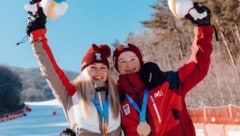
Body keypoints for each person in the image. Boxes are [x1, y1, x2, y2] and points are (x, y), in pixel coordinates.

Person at [112, 3, 213, 136]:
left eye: (133, 59)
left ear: (140, 62)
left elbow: (198, 66)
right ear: (117, 68)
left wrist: (203, 28)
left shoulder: (167, 81)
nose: (129, 65)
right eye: (122, 61)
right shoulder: (116, 97)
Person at [25, 0, 121, 135]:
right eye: (93, 67)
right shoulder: (71, 93)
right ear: (84, 71)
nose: (99, 71)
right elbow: (50, 70)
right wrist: (37, 35)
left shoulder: (117, 93)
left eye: (103, 67)